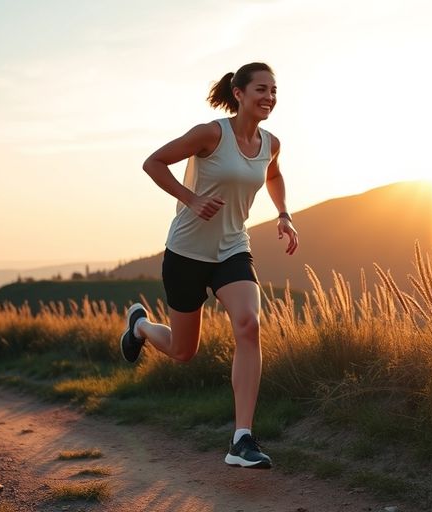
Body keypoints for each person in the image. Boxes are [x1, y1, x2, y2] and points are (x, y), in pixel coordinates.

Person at [120, 62, 298, 469]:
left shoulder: (271, 143)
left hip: (233, 249)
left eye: (274, 91)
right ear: (239, 93)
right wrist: (191, 198)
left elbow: (274, 175)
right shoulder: (211, 134)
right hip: (186, 252)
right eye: (261, 89)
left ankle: (242, 439)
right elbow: (154, 163)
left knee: (249, 325)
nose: (269, 97)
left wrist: (284, 214)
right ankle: (141, 327)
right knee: (184, 351)